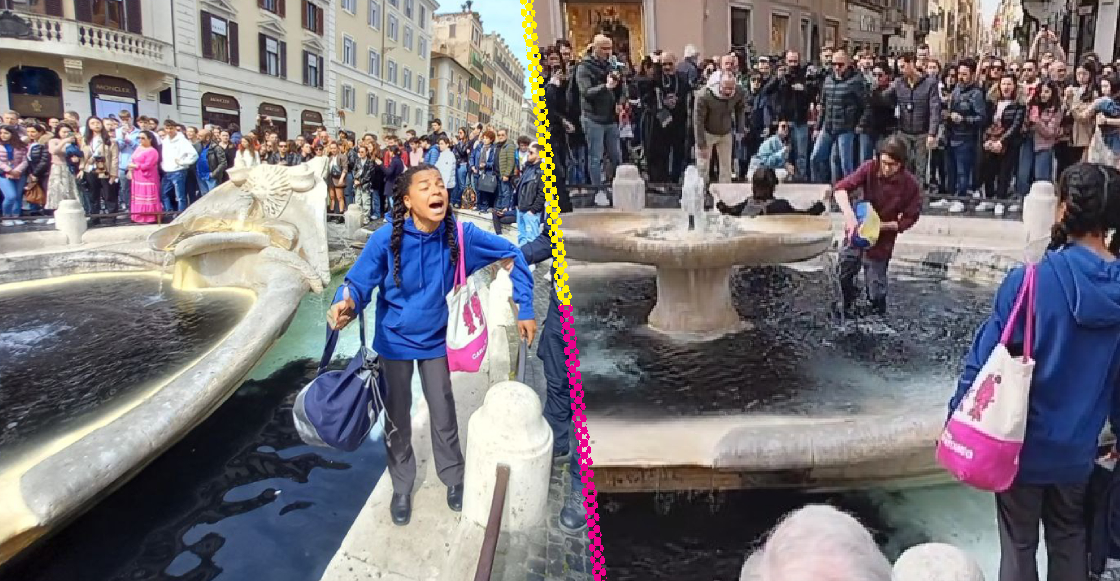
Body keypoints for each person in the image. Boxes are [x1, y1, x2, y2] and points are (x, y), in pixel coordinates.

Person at [326, 164, 536, 526]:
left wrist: (526, 306)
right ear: (407, 200)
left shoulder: (461, 235)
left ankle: (453, 478)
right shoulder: (384, 239)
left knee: (443, 412)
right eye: (425, 186)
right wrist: (346, 302)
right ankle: (402, 486)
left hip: (437, 340)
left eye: (440, 184)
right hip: (392, 341)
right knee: (397, 419)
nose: (437, 190)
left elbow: (514, 255)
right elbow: (357, 283)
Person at [948, 163, 1120, 581]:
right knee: (1070, 540)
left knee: (1019, 548)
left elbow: (984, 362)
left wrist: (956, 417)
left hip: (1019, 449)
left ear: (1062, 209)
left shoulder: (1029, 281)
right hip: (1079, 452)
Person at [832, 135, 922, 318]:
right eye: (884, 162)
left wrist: (884, 226)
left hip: (882, 241)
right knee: (843, 273)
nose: (887, 168)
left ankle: (876, 318)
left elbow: (911, 216)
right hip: (857, 232)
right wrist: (850, 217)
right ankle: (846, 308)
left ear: (901, 164)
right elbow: (841, 188)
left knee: (876, 290)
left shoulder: (910, 185)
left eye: (892, 165)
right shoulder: (869, 168)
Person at [716, 167, 826, 217]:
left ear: (753, 187)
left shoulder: (746, 205)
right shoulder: (780, 206)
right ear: (773, 187)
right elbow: (802, 216)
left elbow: (731, 211)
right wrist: (816, 209)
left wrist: (723, 206)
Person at [128, 131, 163, 224]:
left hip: (147, 177)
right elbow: (133, 158)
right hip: (137, 176)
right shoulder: (139, 148)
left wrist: (135, 166)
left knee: (147, 196)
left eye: (143, 138)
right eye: (139, 138)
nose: (140, 140)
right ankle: (138, 216)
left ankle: (149, 217)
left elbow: (148, 165)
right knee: (138, 197)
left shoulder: (153, 151)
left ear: (150, 139)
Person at [515, 143, 546, 248]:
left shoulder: (542, 171)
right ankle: (523, 260)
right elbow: (521, 186)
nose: (528, 154)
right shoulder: (528, 167)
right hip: (521, 208)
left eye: (531, 152)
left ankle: (531, 262)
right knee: (521, 238)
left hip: (530, 211)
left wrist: (533, 210)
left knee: (531, 239)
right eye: (528, 152)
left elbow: (543, 193)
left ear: (539, 155)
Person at [0, 125, 28, 225]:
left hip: (19, 173)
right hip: (3, 174)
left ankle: (16, 216)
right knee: (10, 196)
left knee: (18, 196)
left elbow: (25, 160)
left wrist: (17, 170)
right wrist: (9, 170)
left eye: (6, 133)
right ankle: (6, 217)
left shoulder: (20, 145)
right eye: (1, 133)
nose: (3, 135)